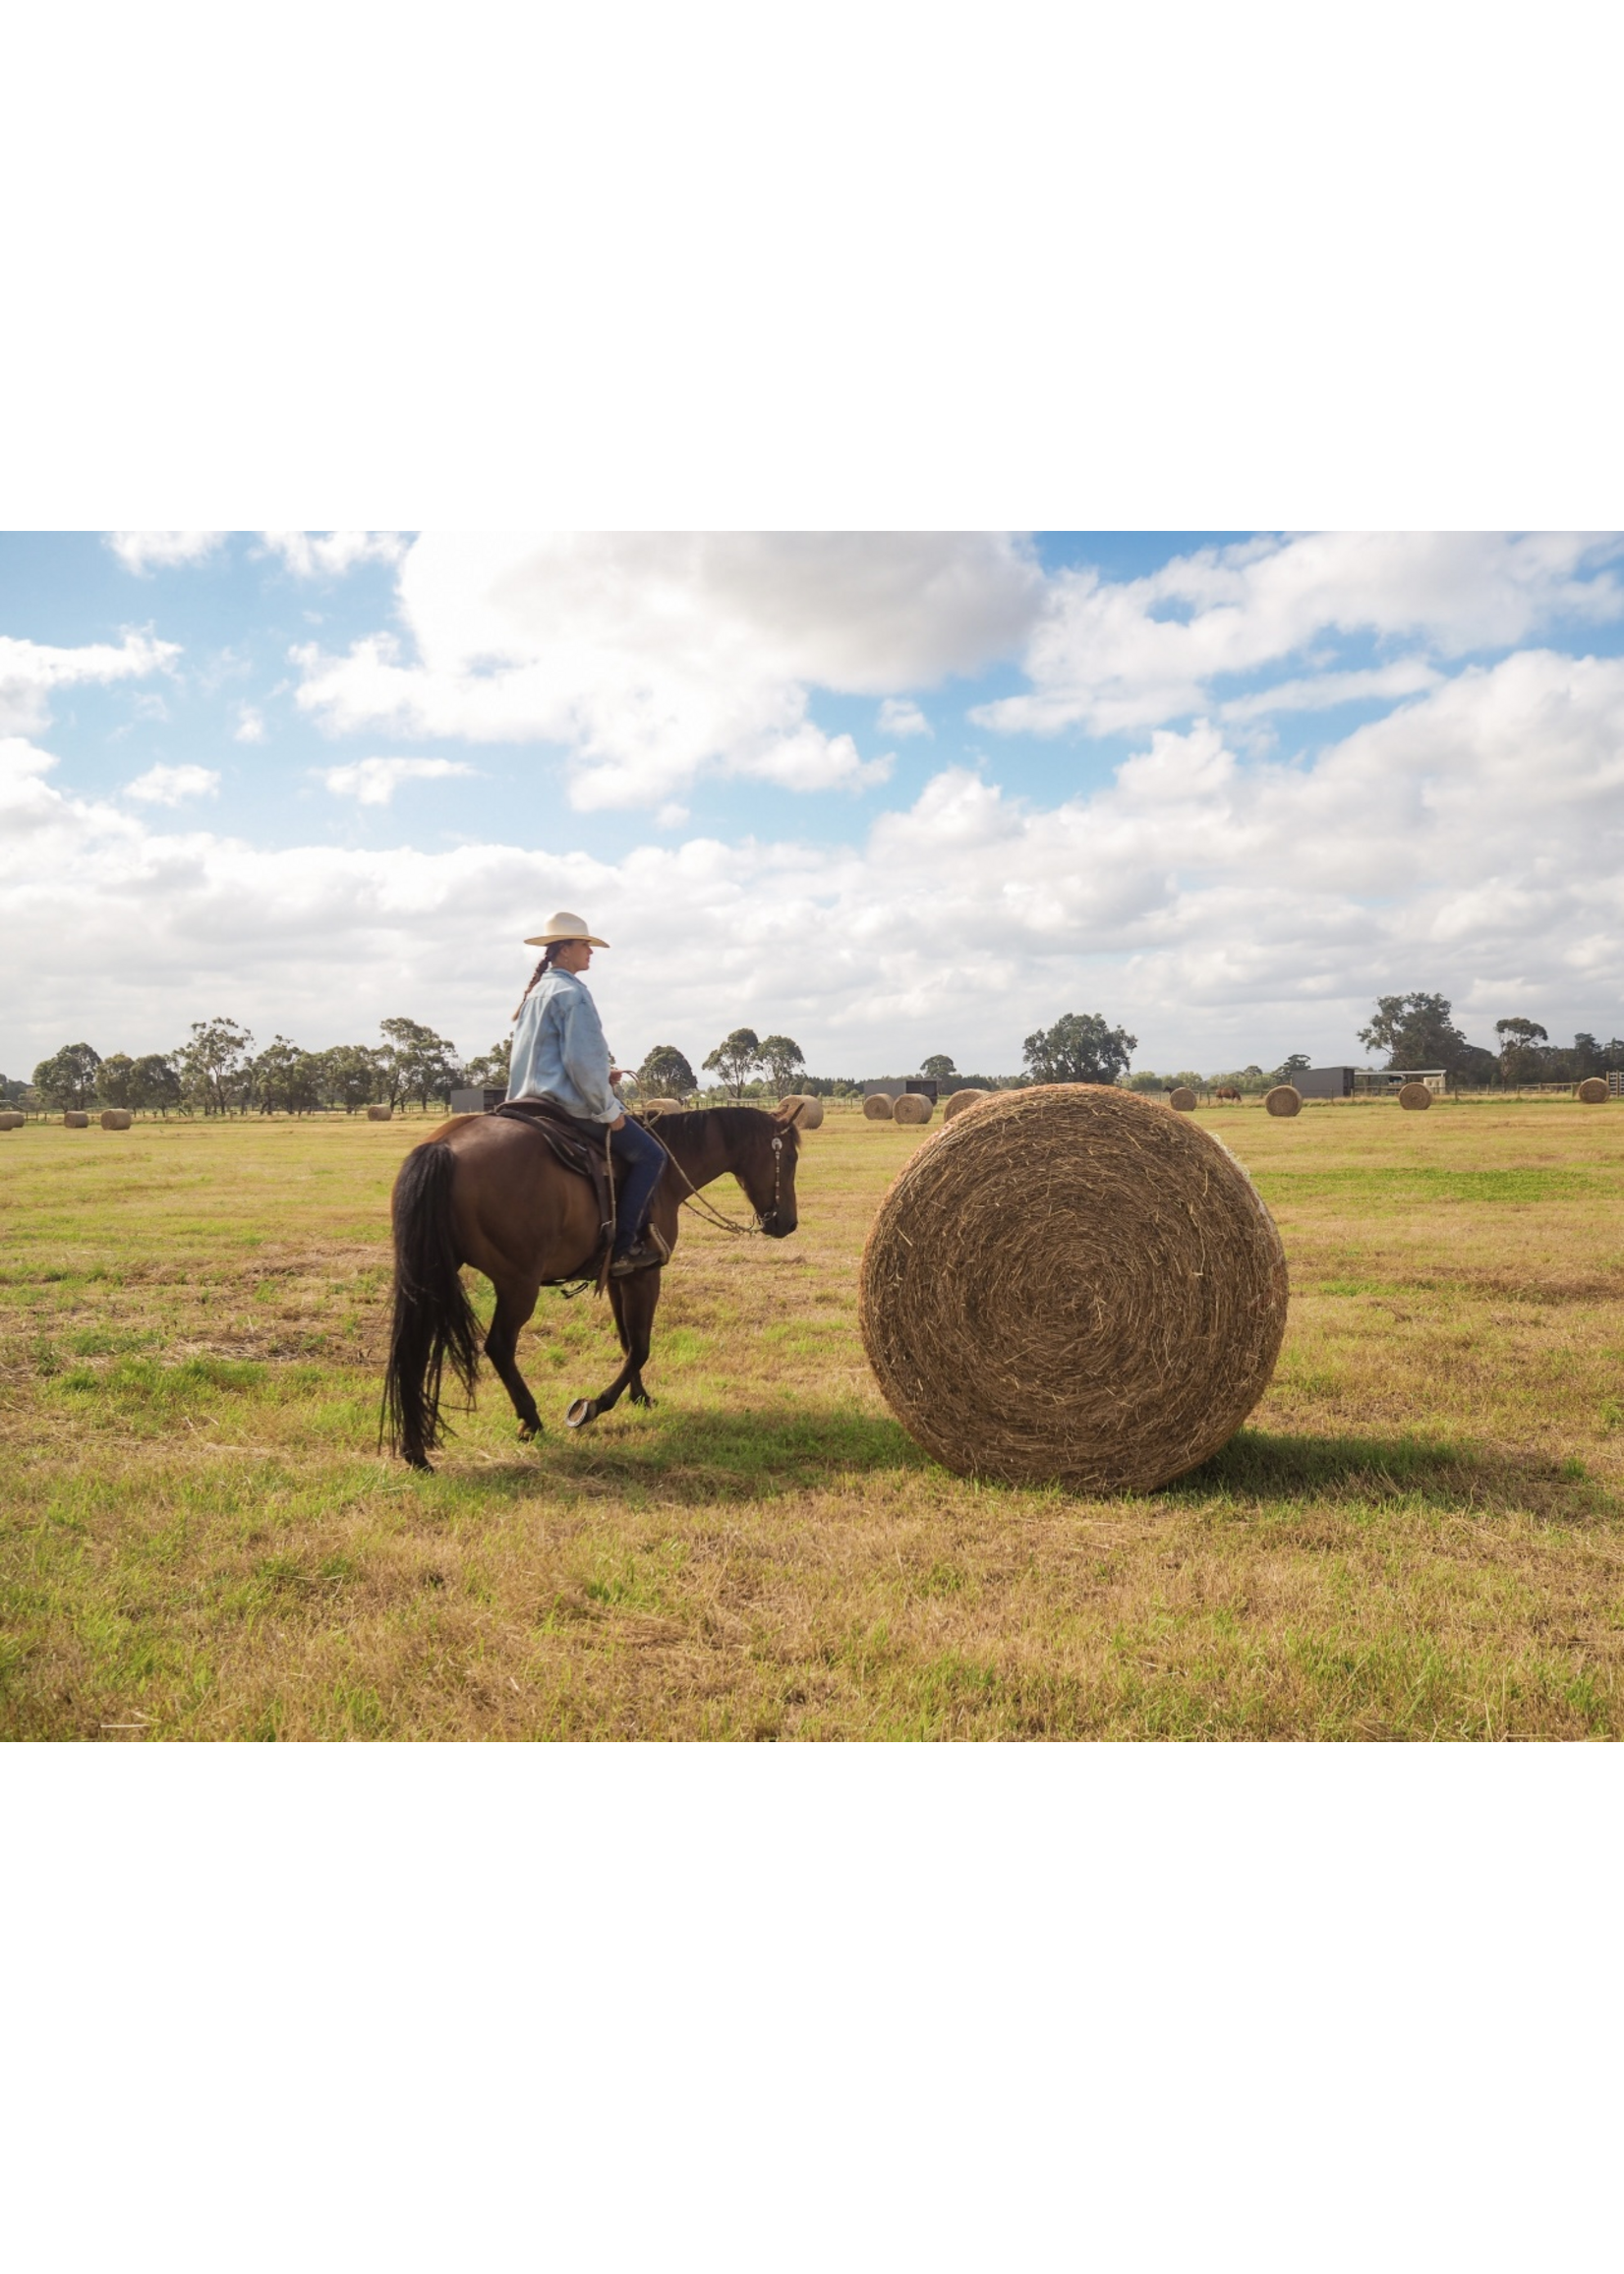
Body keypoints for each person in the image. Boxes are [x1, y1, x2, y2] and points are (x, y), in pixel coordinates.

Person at [509, 913, 667, 1276]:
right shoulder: (573, 993)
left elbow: (549, 1059)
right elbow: (581, 1061)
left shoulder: (536, 993)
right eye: (585, 945)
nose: (591, 952)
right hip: (567, 1107)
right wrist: (608, 1110)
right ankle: (624, 1249)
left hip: (526, 1103)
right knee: (650, 1156)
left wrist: (602, 1074)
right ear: (564, 949)